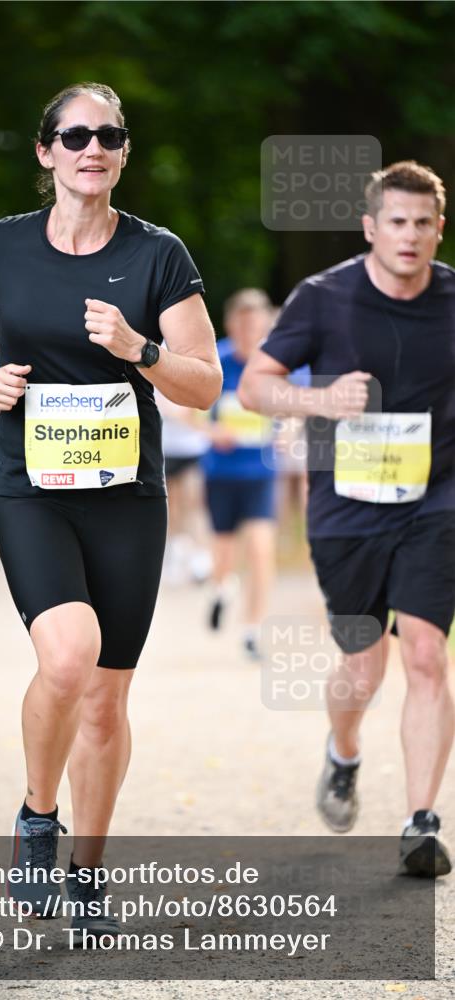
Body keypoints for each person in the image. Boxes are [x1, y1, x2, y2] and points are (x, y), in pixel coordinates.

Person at [0, 82, 222, 931]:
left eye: (109, 135)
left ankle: (87, 874)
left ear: (123, 152)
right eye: (74, 135)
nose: (91, 148)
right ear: (45, 151)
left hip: (126, 496)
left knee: (106, 696)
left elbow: (203, 385)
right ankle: (35, 817)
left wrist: (142, 351)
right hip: (31, 485)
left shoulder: (159, 255)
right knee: (68, 657)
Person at [239, 161, 454, 877]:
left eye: (423, 223)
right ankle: (344, 751)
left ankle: (420, 822)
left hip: (436, 499)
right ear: (370, 227)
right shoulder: (323, 297)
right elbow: (253, 388)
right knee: (364, 662)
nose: (410, 235)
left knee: (424, 652)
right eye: (396, 221)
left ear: (438, 230)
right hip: (346, 509)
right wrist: (321, 403)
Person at [201, 289, 277, 661]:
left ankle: (252, 630)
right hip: (221, 472)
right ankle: (220, 589)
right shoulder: (218, 359)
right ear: (232, 324)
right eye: (243, 324)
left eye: (256, 324)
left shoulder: (276, 362)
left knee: (261, 551)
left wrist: (289, 430)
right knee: (224, 554)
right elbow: (188, 407)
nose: (250, 330)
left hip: (261, 473)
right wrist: (213, 432)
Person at [155, 389, 211, 586]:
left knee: (194, 503)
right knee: (171, 506)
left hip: (192, 448)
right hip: (165, 448)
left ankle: (201, 558)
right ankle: (175, 554)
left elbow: (200, 407)